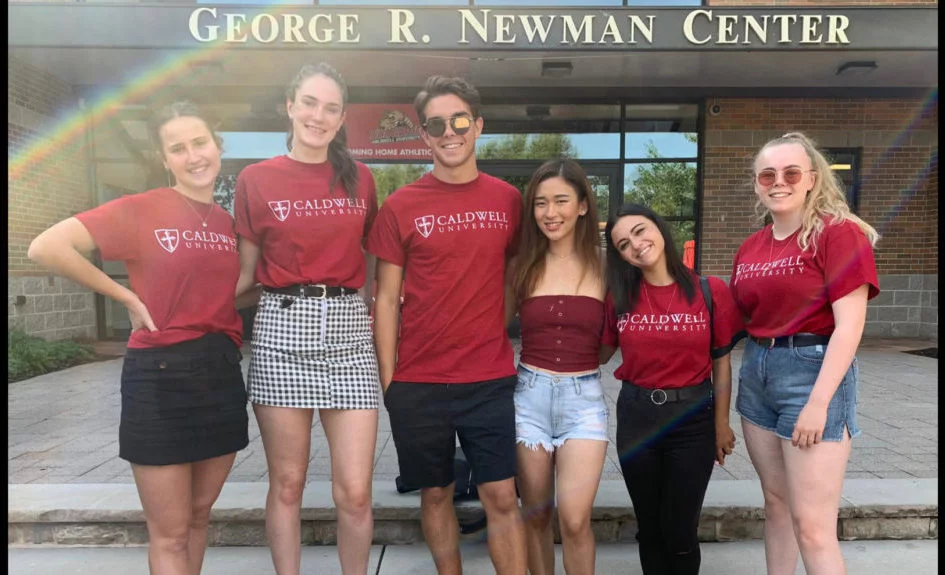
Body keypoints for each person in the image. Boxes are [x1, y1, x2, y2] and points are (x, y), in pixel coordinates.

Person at [28, 101, 248, 575]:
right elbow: (46, 246)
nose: (193, 156)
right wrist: (123, 296)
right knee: (169, 532)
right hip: (161, 378)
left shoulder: (227, 223)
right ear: (164, 158)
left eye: (200, 143)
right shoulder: (141, 208)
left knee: (198, 517)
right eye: (178, 148)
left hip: (220, 373)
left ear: (218, 145)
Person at [367, 75, 527, 575]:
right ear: (424, 135)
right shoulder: (400, 206)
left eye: (459, 120)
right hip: (419, 382)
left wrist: (490, 334)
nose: (449, 132)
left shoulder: (509, 200)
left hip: (488, 379)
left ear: (477, 126)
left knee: (501, 494)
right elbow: (387, 299)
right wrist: (390, 380)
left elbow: (513, 282)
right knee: (435, 493)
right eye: (436, 124)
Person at [233, 63, 380, 575]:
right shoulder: (255, 178)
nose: (319, 116)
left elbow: (372, 261)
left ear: (342, 119)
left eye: (332, 108)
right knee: (288, 483)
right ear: (290, 105)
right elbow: (245, 275)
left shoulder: (361, 178)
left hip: (348, 332)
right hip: (280, 327)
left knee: (356, 492)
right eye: (310, 103)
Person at [731, 132, 880, 575]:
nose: (779, 182)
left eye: (791, 172)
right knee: (775, 505)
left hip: (812, 371)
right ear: (757, 183)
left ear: (812, 178)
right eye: (768, 174)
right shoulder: (751, 247)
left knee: (813, 525)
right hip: (758, 371)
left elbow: (850, 326)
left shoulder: (839, 234)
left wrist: (818, 403)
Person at [600, 203, 745, 575]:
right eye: (622, 244)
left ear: (658, 228)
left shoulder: (709, 291)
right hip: (637, 417)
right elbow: (599, 354)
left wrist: (721, 423)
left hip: (692, 419)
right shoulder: (617, 297)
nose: (635, 244)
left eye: (639, 230)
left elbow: (722, 363)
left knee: (680, 531)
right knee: (649, 529)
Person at [506, 158, 609, 575]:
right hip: (528, 400)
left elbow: (612, 341)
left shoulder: (606, 266)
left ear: (582, 205)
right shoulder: (523, 266)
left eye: (561, 201)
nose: (551, 213)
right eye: (541, 203)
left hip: (584, 402)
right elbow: (491, 326)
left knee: (574, 518)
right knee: (536, 517)